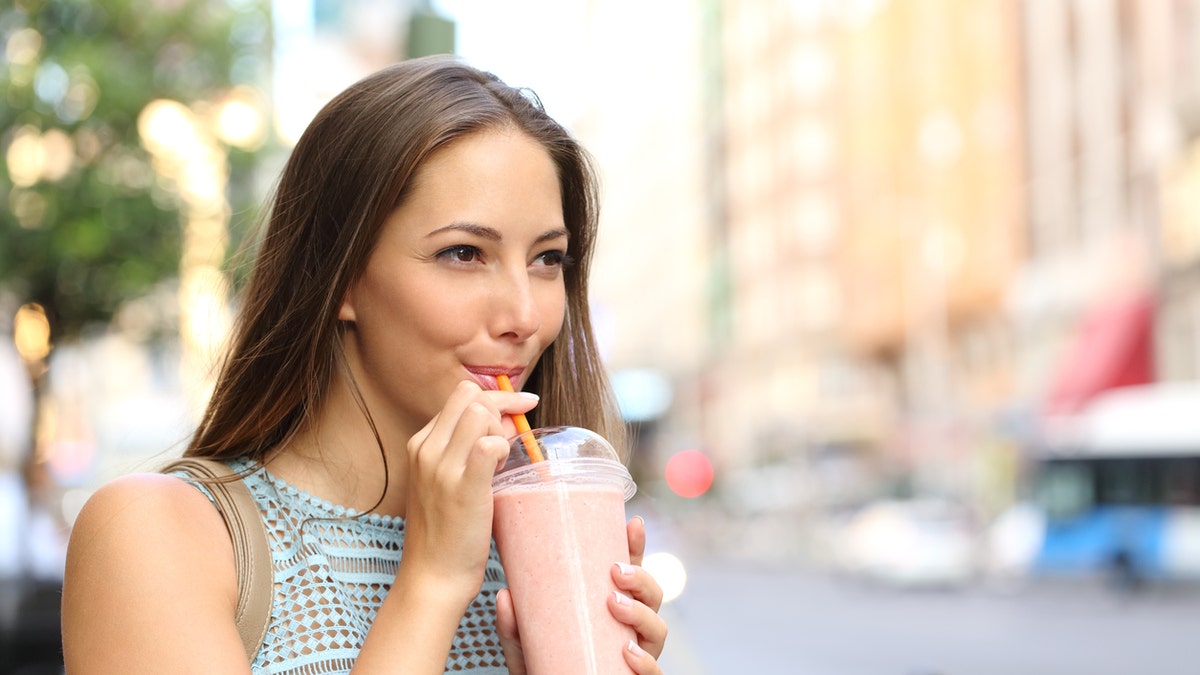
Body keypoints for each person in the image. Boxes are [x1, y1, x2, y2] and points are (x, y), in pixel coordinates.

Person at [61, 55, 668, 673]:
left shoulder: (538, 548)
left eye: (547, 259)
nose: (523, 314)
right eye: (464, 252)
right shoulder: (158, 535)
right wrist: (429, 584)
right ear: (341, 275)